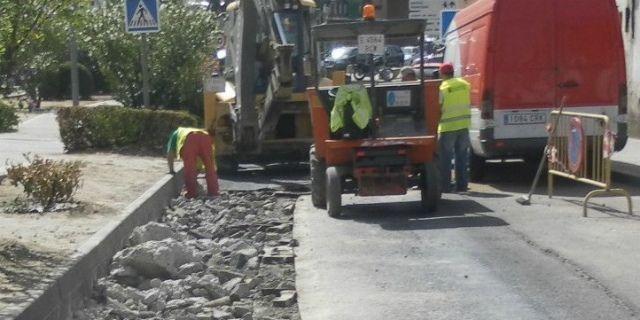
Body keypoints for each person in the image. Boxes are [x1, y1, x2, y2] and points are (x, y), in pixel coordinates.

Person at [437, 62, 471, 193]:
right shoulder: (465, 84)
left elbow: (439, 107)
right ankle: (462, 185)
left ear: (442, 74)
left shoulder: (443, 88)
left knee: (445, 158)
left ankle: (445, 186)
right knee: (462, 157)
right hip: (463, 125)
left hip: (448, 126)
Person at [167, 127, 220, 198]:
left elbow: (170, 154)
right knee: (210, 167)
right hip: (206, 137)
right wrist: (198, 169)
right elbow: (199, 161)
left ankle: (191, 193)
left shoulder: (174, 135)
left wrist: (171, 170)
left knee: (190, 168)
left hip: (190, 139)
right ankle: (214, 192)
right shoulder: (189, 130)